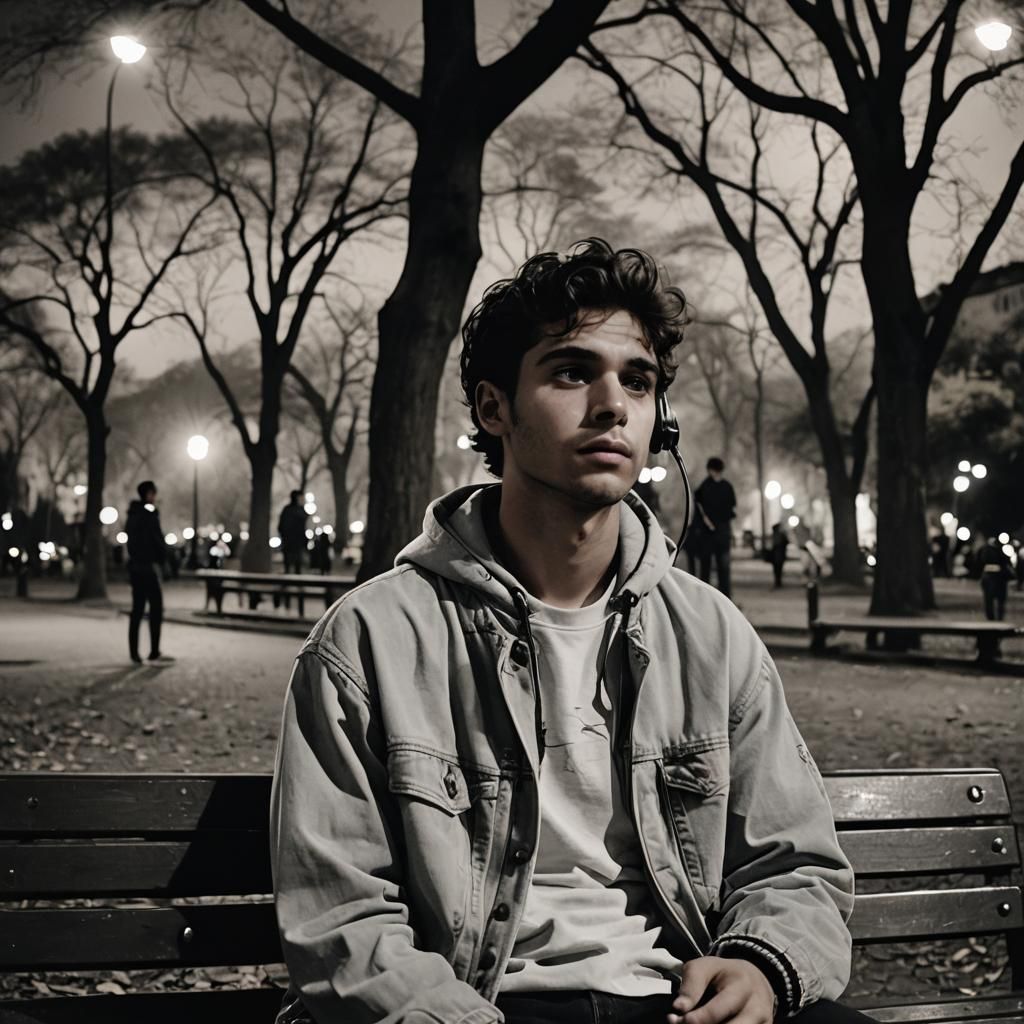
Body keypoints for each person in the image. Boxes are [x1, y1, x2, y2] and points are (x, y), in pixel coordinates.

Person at [270, 239, 867, 1024]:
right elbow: (339, 915)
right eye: (572, 372)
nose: (614, 403)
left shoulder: (712, 636)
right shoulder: (371, 641)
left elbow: (797, 866)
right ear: (494, 409)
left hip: (676, 999)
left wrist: (762, 965)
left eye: (639, 381)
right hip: (472, 1008)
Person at [125, 481, 172, 664]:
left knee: (137, 610)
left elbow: (131, 542)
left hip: (136, 568)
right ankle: (154, 650)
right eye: (153, 493)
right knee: (156, 609)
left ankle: (134, 652)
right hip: (148, 568)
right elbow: (156, 540)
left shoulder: (133, 515)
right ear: (148, 494)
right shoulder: (149, 515)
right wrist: (164, 558)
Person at [694, 457, 737, 598]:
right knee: (721, 568)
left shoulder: (704, 487)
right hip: (720, 533)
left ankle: (705, 597)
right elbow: (732, 510)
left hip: (712, 534)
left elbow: (698, 511)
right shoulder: (727, 487)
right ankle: (724, 598)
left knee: (709, 568)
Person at [978, 536, 1012, 621]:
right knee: (999, 598)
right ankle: (997, 616)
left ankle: (992, 617)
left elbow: (979, 562)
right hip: (998, 576)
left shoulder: (985, 550)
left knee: (990, 598)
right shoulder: (1001, 550)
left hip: (991, 576)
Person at [278, 491, 308, 574]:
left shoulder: (288, 509)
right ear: (297, 498)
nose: (303, 500)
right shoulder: (298, 510)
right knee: (294, 562)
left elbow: (280, 526)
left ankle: (290, 580)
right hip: (293, 540)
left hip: (292, 540)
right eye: (301, 498)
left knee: (291, 563)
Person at [770, 521, 789, 589]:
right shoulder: (780, 535)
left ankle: (777, 582)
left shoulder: (774, 535)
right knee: (778, 570)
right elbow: (786, 542)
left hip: (776, 556)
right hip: (778, 555)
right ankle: (778, 582)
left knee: (777, 570)